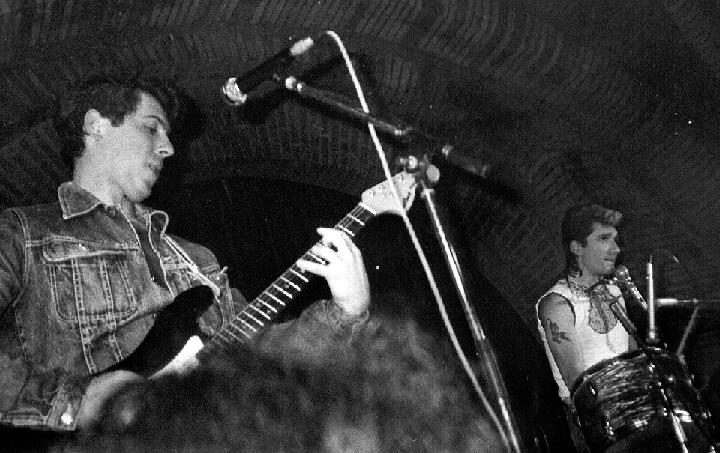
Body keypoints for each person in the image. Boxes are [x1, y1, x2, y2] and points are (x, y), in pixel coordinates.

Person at [0, 73, 370, 434]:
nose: (169, 148)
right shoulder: (22, 233)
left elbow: (259, 358)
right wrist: (71, 404)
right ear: (96, 125)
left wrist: (345, 311)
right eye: (151, 128)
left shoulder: (196, 258)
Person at [536, 204, 632, 451]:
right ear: (577, 247)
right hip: (596, 423)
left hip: (631, 408)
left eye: (615, 239)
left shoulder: (614, 291)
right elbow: (578, 384)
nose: (616, 249)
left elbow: (634, 355)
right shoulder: (557, 304)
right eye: (604, 239)